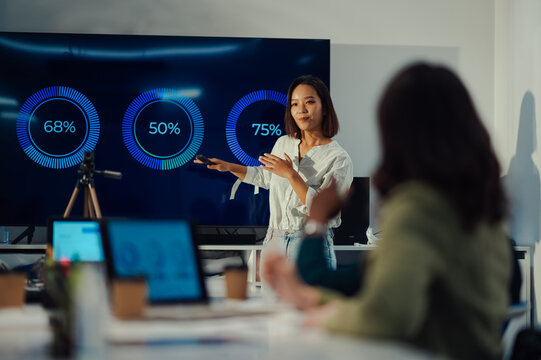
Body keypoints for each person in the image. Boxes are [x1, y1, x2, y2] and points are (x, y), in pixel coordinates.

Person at [262, 63, 511, 360]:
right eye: (295, 104)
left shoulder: (418, 209)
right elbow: (377, 284)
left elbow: (385, 316)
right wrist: (311, 297)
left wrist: (316, 223)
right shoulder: (478, 207)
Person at [195, 75, 353, 268]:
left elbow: (324, 211)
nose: (301, 110)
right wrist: (228, 166)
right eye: (294, 104)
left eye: (309, 102)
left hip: (310, 244)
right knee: (268, 299)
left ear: (325, 107)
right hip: (274, 241)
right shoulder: (284, 142)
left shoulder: (339, 158)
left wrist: (292, 175)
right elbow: (266, 177)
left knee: (307, 299)